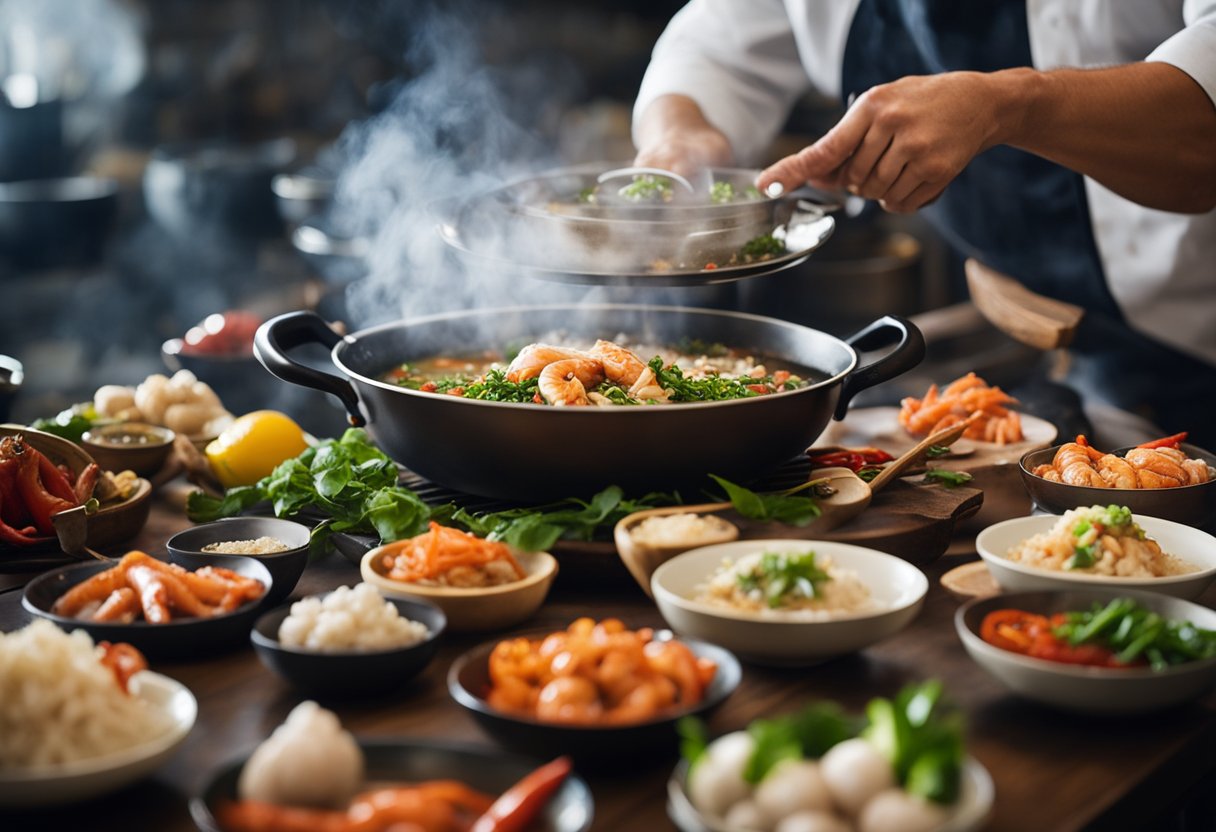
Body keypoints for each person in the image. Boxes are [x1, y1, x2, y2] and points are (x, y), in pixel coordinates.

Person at [631, 0, 1216, 448]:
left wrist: (1007, 104)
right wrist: (679, 135)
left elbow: (1201, 141)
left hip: (1195, 337)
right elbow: (716, 44)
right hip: (1041, 328)